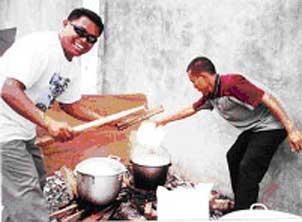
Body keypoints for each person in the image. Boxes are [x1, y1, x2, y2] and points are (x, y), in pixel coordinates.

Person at [156, 56, 302, 210]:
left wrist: (291, 129)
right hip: (256, 127)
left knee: (248, 167)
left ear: (203, 77)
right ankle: (242, 205)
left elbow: (268, 99)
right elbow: (191, 109)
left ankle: (244, 213)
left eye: (194, 81)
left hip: (272, 126)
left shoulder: (232, 84)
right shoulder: (211, 94)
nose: (194, 86)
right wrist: (163, 121)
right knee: (233, 156)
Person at [0, 8, 104, 221]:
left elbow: (71, 105)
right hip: (4, 129)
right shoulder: (40, 48)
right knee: (27, 196)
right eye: (80, 31)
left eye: (91, 39)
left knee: (37, 181)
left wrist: (103, 122)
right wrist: (48, 123)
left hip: (24, 130)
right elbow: (9, 90)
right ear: (65, 23)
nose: (83, 40)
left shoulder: (71, 66)